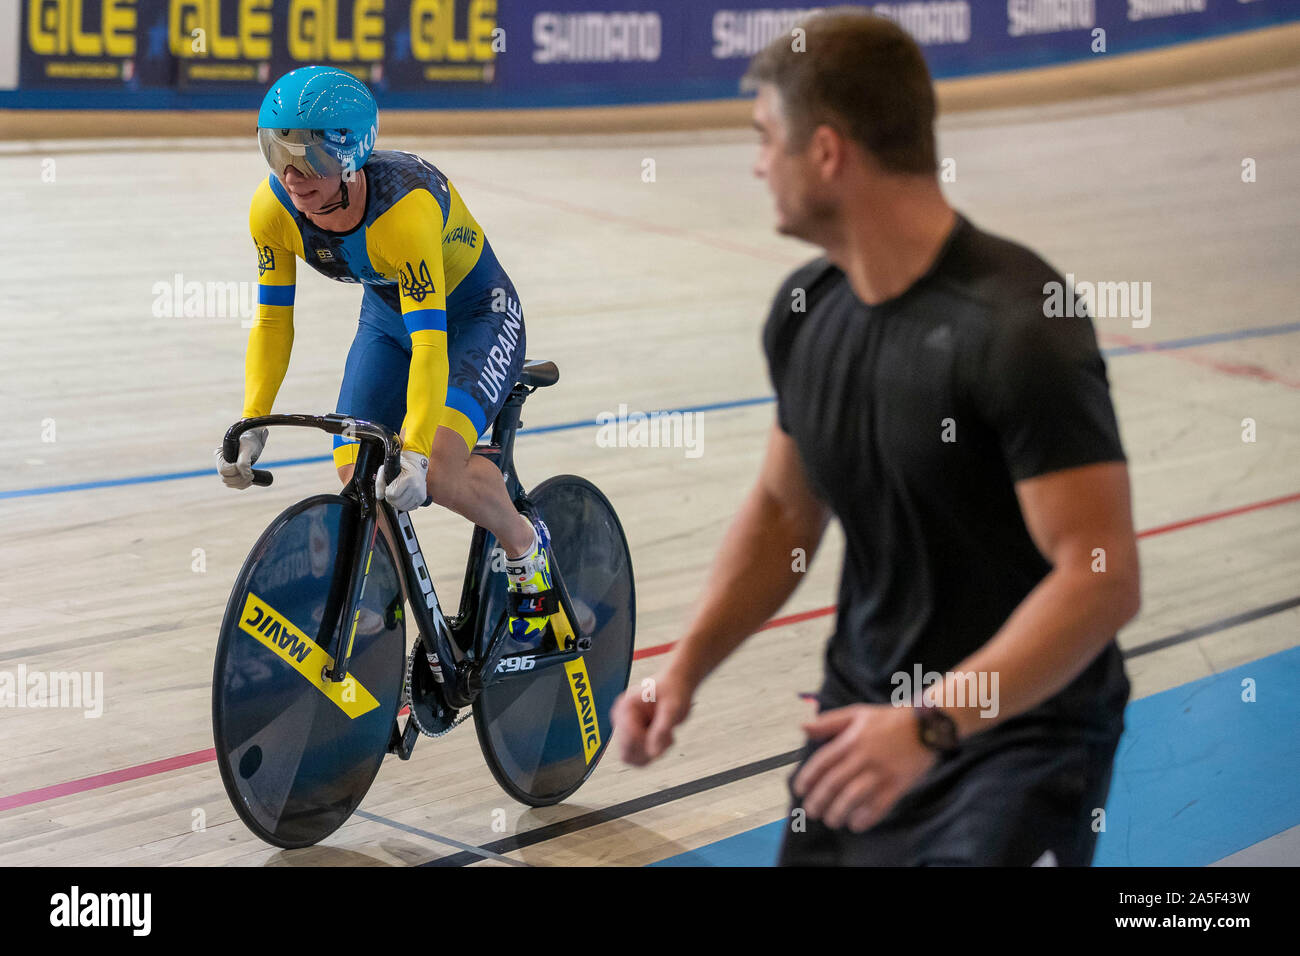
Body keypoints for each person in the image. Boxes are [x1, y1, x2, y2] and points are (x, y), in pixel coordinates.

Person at [612, 10, 1140, 866]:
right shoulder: (806, 313)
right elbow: (785, 512)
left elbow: (1100, 577)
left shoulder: (1018, 323)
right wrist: (683, 670)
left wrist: (931, 724)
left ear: (826, 152)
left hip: (1016, 746)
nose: (755, 164)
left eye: (763, 138)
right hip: (860, 725)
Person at [214, 66, 555, 647]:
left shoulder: (404, 212)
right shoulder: (271, 211)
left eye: (309, 158)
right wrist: (254, 418)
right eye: (277, 153)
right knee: (357, 466)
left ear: (351, 156)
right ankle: (400, 616)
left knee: (441, 470)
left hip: (474, 316)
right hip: (389, 314)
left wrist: (419, 453)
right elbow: (273, 320)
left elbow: (431, 345)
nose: (292, 175)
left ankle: (526, 548)